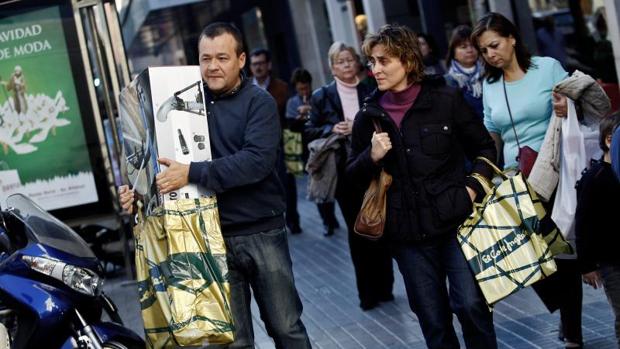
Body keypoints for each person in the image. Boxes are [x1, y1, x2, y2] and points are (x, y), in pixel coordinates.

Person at [120, 22, 311, 349]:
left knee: (285, 328)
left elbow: (255, 162)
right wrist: (138, 193)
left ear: (241, 60)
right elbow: (162, 160)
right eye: (205, 58)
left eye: (222, 58)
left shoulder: (259, 102)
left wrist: (191, 172)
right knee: (232, 341)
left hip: (261, 231)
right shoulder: (185, 103)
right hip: (209, 237)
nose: (212, 66)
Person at [349, 24, 498, 348]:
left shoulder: (445, 97)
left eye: (383, 61)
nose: (375, 69)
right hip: (407, 237)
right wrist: (371, 157)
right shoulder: (369, 116)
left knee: (472, 306)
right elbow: (351, 178)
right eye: (372, 62)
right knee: (433, 321)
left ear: (407, 60)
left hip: (456, 224)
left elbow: (485, 149)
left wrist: (472, 189)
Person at [472, 12, 581, 349]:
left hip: (555, 168)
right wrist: (484, 177)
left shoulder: (546, 68)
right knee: (529, 256)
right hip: (516, 179)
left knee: (562, 253)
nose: (490, 54)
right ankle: (566, 310)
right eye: (484, 50)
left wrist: (565, 105)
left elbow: (577, 101)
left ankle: (573, 332)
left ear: (512, 39)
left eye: (494, 45)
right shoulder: (490, 84)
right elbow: (491, 132)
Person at [306, 41, 394, 311]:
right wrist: (332, 128)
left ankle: (385, 288)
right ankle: (366, 293)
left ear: (357, 62)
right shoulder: (322, 95)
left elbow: (388, 119)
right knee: (357, 232)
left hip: (374, 166)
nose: (345, 65)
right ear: (332, 66)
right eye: (339, 61)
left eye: (349, 60)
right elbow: (309, 129)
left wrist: (361, 126)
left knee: (380, 226)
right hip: (344, 171)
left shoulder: (371, 89)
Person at [575, 113, 620, 348]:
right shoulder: (595, 178)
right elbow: (583, 224)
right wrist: (587, 265)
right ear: (610, 140)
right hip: (611, 261)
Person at [249, 48, 302, 234]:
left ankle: (293, 220)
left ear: (268, 65)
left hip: (281, 143)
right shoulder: (247, 89)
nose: (258, 68)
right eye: (254, 64)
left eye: (261, 63)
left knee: (287, 183)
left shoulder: (281, 88)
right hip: (257, 146)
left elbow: (288, 117)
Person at [286, 68, 340, 231]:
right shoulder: (293, 103)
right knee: (316, 182)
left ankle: (331, 218)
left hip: (321, 145)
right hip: (305, 148)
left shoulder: (319, 97)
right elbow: (291, 129)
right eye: (300, 88)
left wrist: (310, 111)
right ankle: (326, 221)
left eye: (306, 87)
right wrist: (298, 118)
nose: (304, 91)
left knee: (328, 180)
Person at [444, 25, 484, 119]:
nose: (470, 50)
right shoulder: (448, 81)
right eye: (463, 47)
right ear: (454, 52)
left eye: (473, 45)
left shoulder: (488, 74)